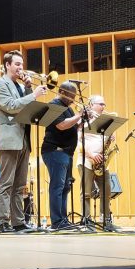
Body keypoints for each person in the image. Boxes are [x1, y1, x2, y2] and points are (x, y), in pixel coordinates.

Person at [0, 50, 46, 233]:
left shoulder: (20, 87)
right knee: (6, 183)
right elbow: (11, 106)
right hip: (9, 140)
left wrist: (29, 88)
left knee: (20, 185)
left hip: (23, 139)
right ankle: (3, 222)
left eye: (22, 64)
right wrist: (34, 95)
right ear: (7, 65)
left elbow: (28, 109)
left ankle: (18, 222)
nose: (21, 68)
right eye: (17, 64)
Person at [41, 81, 82, 230]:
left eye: (74, 96)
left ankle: (63, 220)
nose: (73, 99)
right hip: (55, 151)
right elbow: (61, 125)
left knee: (65, 187)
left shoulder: (67, 108)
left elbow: (72, 127)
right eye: (71, 96)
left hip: (65, 152)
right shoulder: (55, 105)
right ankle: (57, 222)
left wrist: (82, 120)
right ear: (62, 93)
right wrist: (79, 115)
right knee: (57, 187)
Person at [77, 95, 117, 230]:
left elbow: (105, 142)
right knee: (86, 193)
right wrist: (91, 154)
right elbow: (78, 140)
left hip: (101, 162)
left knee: (107, 191)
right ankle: (87, 220)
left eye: (104, 104)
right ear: (92, 105)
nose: (103, 107)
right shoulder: (85, 119)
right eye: (100, 104)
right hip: (86, 160)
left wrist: (111, 138)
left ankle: (106, 220)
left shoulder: (106, 122)